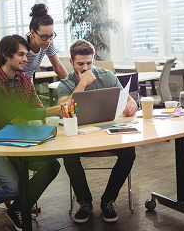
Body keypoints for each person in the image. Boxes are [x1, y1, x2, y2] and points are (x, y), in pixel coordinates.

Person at [0, 35, 62, 230]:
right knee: (13, 186)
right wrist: (44, 111)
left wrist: (29, 115)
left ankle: (19, 208)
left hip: (18, 142)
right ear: (6, 55)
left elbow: (35, 109)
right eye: (21, 54)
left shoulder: (24, 80)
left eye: (26, 55)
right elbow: (7, 114)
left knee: (51, 166)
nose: (26, 59)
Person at [57, 40, 137, 224]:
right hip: (78, 136)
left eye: (89, 63)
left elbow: (130, 101)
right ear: (71, 62)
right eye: (80, 64)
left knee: (129, 152)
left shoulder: (106, 76)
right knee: (68, 156)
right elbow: (63, 109)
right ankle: (84, 202)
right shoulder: (66, 84)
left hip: (107, 133)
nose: (86, 68)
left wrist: (131, 107)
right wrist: (82, 84)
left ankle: (108, 200)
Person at [24, 3, 68, 82]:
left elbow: (58, 67)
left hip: (28, 87)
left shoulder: (48, 42)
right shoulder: (21, 44)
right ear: (33, 33)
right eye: (44, 36)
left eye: (51, 36)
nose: (48, 41)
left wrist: (74, 87)